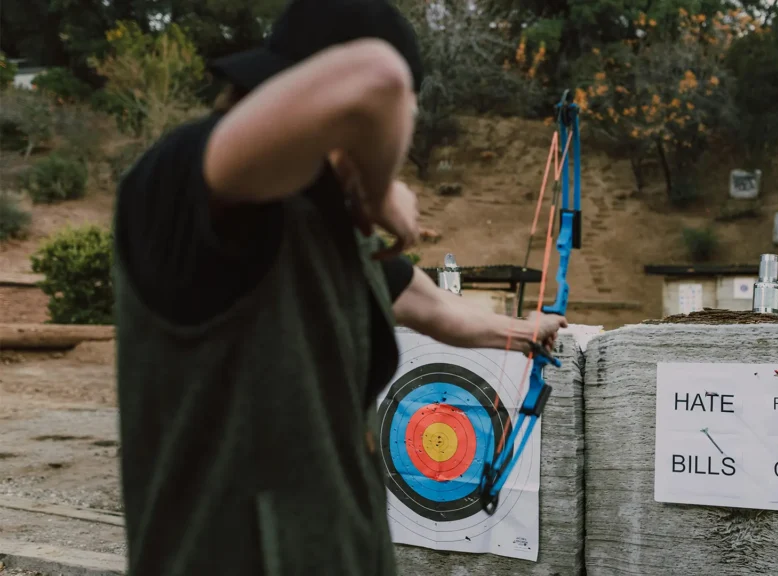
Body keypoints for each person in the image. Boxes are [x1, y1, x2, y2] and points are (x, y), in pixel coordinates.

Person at [111, 0, 566, 574]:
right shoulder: (181, 179)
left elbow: (429, 305)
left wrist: (525, 330)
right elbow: (378, 78)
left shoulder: (323, 225)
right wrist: (379, 193)